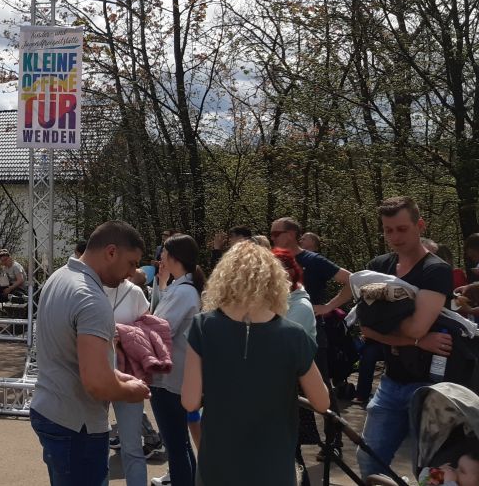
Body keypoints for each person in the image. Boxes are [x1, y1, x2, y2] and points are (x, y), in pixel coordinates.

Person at [319, 196, 454, 479]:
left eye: (402, 229)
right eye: (388, 230)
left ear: (419, 225)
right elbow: (367, 328)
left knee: (427, 471)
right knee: (369, 459)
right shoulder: (379, 264)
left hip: (429, 386)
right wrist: (417, 341)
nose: (394, 237)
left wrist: (388, 329)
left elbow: (414, 326)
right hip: (391, 383)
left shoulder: (436, 270)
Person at [180, 241, 329, 486]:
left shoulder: (202, 326)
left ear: (223, 279)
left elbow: (190, 401)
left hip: (218, 462)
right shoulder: (294, 335)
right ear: (275, 282)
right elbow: (322, 403)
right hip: (274, 465)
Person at [31, 221, 152, 486]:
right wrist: (132, 391)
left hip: (52, 411)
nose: (132, 273)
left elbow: (74, 358)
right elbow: (96, 383)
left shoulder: (59, 277)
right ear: (111, 252)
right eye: (131, 263)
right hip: (78, 425)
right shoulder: (91, 299)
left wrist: (118, 376)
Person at [273, 216, 352, 449]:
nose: (272, 238)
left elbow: (350, 280)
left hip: (312, 335)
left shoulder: (313, 260)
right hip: (280, 331)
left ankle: (334, 440)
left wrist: (328, 306)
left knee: (321, 387)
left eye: (276, 234)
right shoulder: (274, 260)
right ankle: (298, 439)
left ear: (290, 234)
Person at [149, 234, 203, 486]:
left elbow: (160, 328)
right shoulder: (180, 287)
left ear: (173, 257)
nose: (160, 257)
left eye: (164, 252)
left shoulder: (184, 292)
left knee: (176, 446)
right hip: (172, 376)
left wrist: (125, 332)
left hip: (170, 379)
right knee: (179, 443)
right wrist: (161, 284)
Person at [104, 272, 152, 486]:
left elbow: (152, 333)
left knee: (132, 447)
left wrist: (123, 333)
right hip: (96, 373)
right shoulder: (89, 287)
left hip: (128, 374)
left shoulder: (134, 293)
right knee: (94, 445)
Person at [0, 249, 25, 318]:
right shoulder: (5, 268)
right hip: (10, 288)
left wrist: (9, 289)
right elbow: (5, 281)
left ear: (9, 258)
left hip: (18, 290)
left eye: (6, 260)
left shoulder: (16, 266)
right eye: (3, 260)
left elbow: (20, 280)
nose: (5, 262)